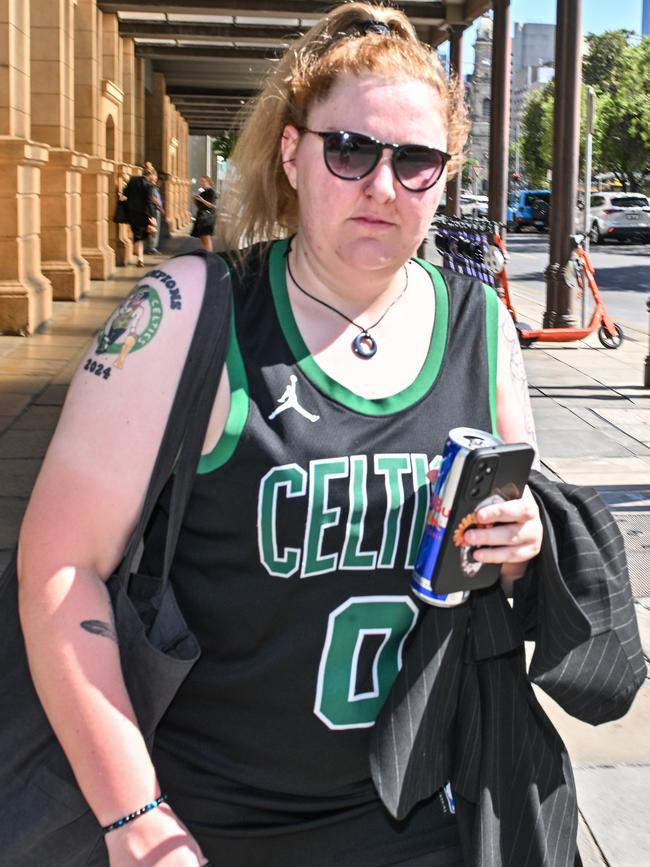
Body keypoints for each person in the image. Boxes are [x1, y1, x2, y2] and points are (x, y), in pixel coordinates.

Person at [18, 4, 551, 865]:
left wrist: (519, 541)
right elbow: (60, 565)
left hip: (424, 816)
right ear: (294, 154)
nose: (383, 185)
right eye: (351, 151)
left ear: (445, 177)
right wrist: (136, 817)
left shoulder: (478, 323)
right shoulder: (192, 311)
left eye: (416, 161)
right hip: (207, 821)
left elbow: (506, 542)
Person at [123, 166, 157, 266]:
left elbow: (126, 193)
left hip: (132, 212)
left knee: (137, 235)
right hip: (144, 214)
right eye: (153, 176)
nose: (153, 178)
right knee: (141, 236)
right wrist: (152, 216)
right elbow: (148, 202)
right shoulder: (149, 186)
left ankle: (140, 258)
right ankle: (140, 258)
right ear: (150, 174)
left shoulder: (133, 180)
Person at [190, 175, 217, 251]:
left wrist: (201, 200)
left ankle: (208, 255)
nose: (201, 183)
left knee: (206, 239)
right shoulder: (203, 192)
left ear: (208, 182)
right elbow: (198, 206)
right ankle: (207, 254)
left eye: (203, 181)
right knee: (203, 238)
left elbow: (212, 205)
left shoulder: (211, 192)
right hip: (201, 217)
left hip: (207, 218)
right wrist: (194, 199)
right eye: (201, 181)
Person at [147, 172, 165, 255]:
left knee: (155, 229)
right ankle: (152, 248)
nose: (160, 184)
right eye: (159, 182)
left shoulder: (156, 189)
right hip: (154, 211)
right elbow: (154, 199)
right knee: (154, 229)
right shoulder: (153, 188)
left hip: (156, 210)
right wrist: (161, 208)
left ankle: (153, 247)